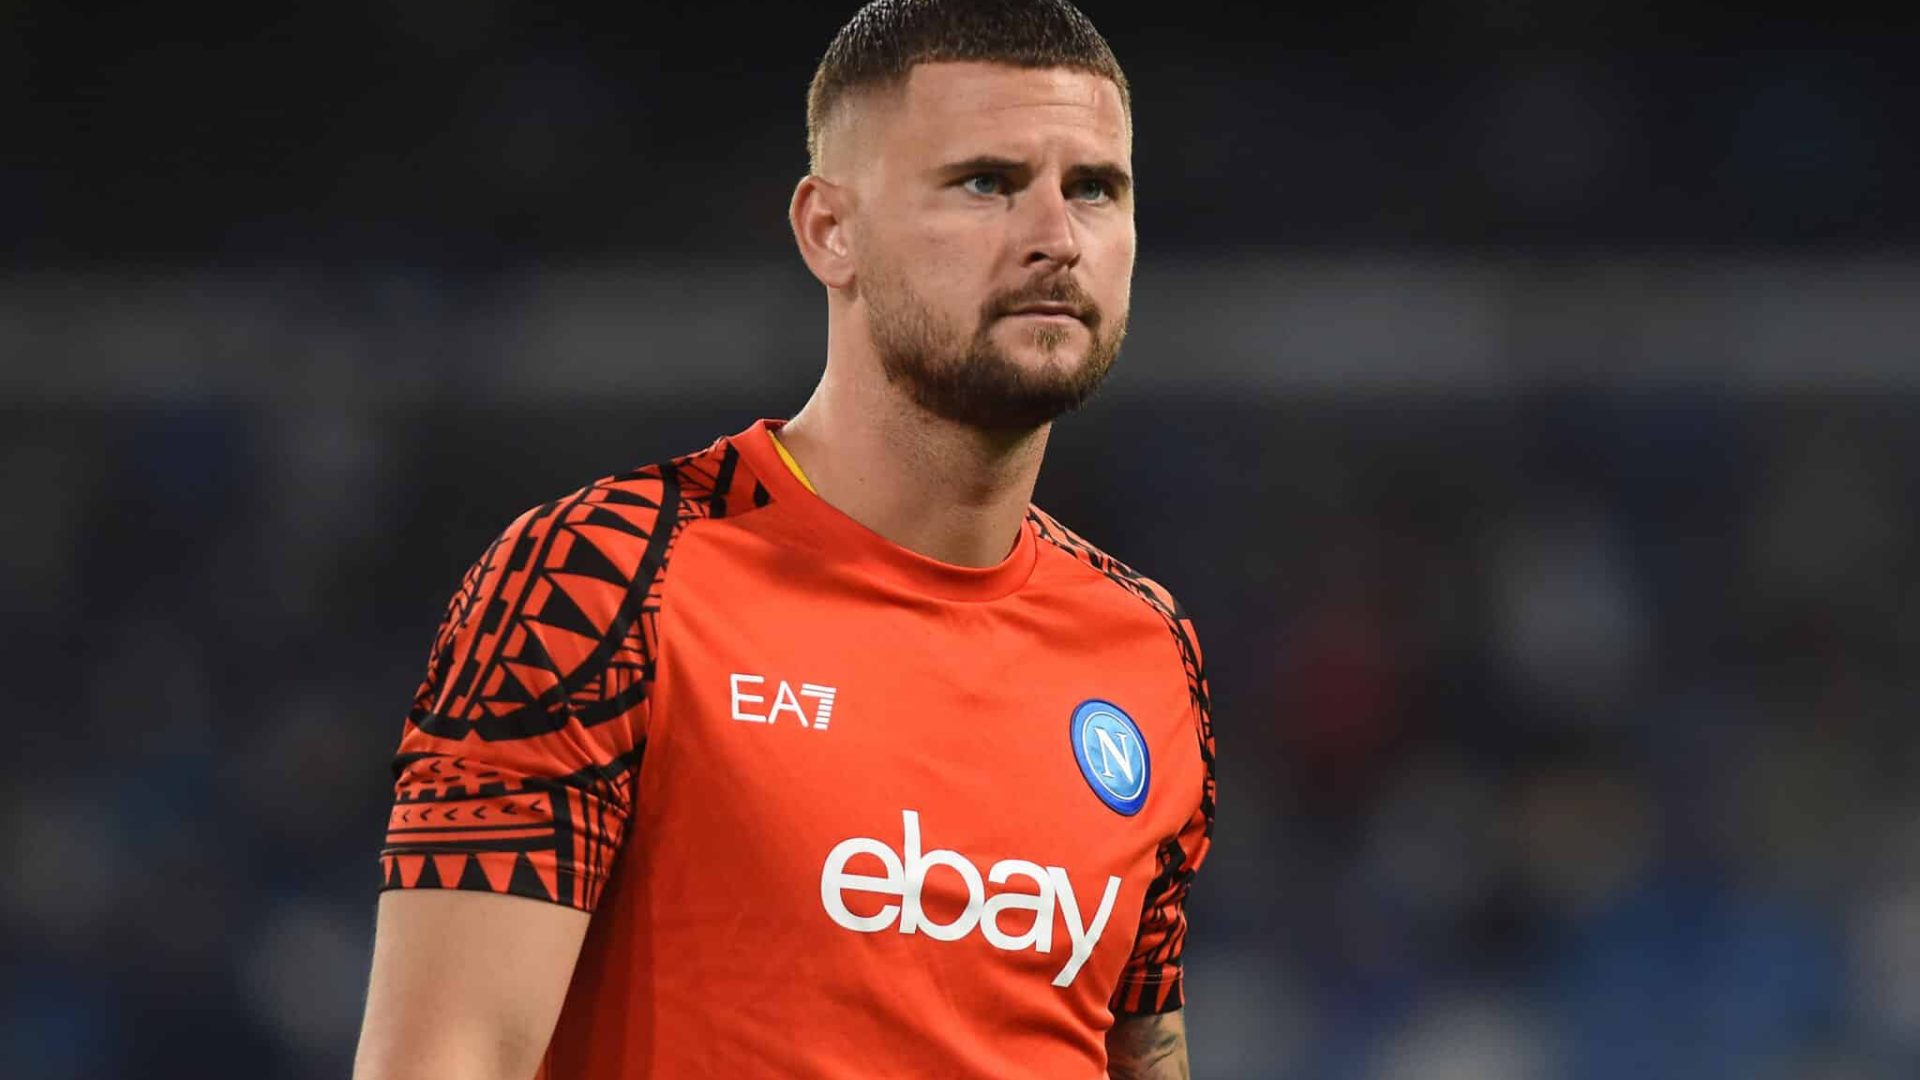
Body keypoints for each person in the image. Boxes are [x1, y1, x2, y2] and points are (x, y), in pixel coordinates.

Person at [351, 1, 1215, 1076]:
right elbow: (448, 1055)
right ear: (828, 231)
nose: (1056, 235)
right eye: (986, 182)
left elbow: (1137, 1051)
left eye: (1095, 188)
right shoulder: (607, 580)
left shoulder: (1146, 653)